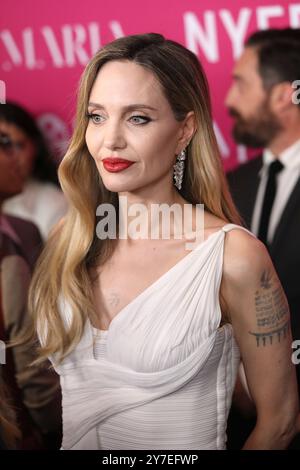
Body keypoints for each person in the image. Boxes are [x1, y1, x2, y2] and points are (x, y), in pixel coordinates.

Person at [29, 32, 299, 450]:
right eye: (97, 116)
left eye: (138, 118)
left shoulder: (233, 255)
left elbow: (280, 421)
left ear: (184, 130)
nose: (110, 139)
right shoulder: (71, 239)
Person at [225, 28, 300, 448]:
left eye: (240, 83)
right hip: (239, 424)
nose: (229, 101)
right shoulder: (232, 186)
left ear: (283, 95)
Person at [0, 129, 62, 449]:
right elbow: (28, 362)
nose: (16, 156)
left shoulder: (23, 230)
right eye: (3, 145)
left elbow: (37, 341)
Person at [1, 102, 68, 241]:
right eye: (3, 146)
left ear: (35, 147)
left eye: (19, 146)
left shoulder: (53, 204)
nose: (12, 157)